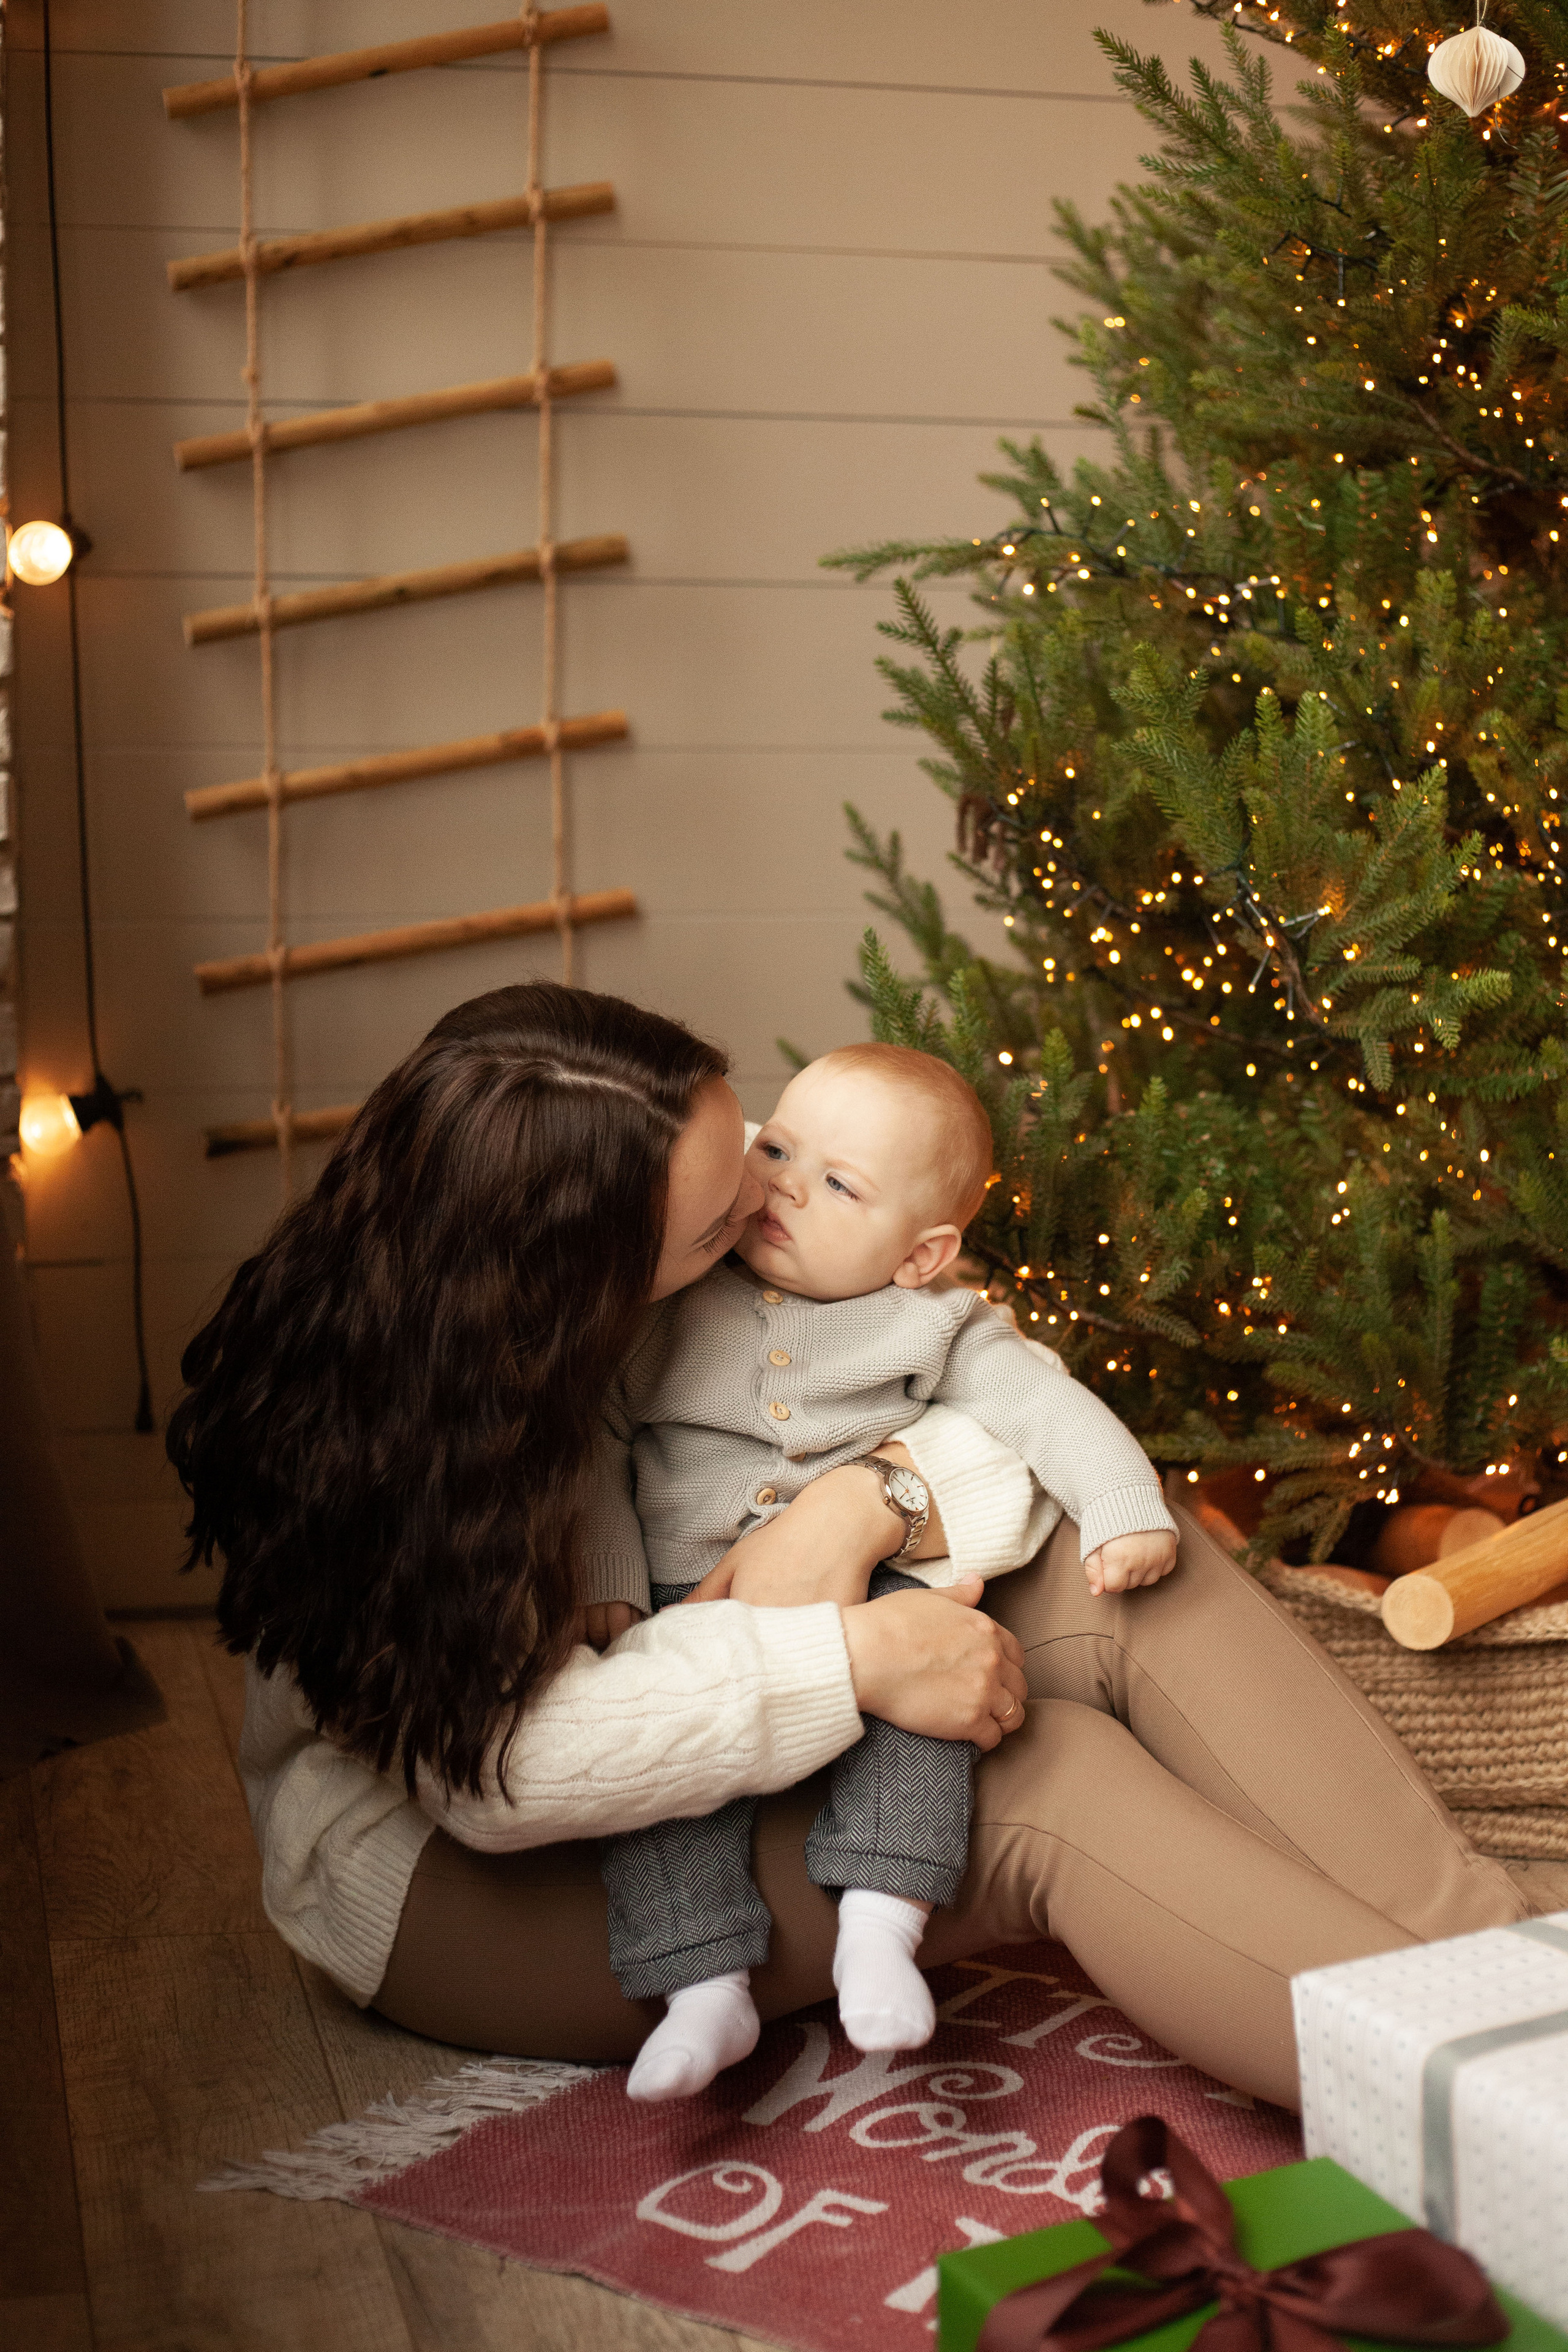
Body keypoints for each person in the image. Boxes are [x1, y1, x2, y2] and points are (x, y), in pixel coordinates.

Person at [169, 981, 1528, 2114]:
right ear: (586, 1285)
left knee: (1127, 1566)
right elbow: (504, 1774)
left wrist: (866, 1500)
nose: (770, 1206)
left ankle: (1494, 1951)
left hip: (711, 1664)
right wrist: (854, 1656)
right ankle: (1500, 2107)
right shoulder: (389, 1435)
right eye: (722, 1226)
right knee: (1038, 1785)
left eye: (759, 1142)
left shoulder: (693, 1256)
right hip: (463, 1877)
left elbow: (968, 1378)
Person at [592, 1044, 1180, 2101]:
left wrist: (1123, 1505)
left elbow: (1047, 1410)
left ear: (921, 1254)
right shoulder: (672, 1304)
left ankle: (880, 1923)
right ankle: (703, 1985)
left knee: (924, 1728)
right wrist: (614, 1580)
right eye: (777, 1148)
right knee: (670, 1783)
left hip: (880, 1598)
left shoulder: (933, 1322)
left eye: (839, 1185)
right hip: (695, 1597)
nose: (781, 1185)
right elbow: (593, 1443)